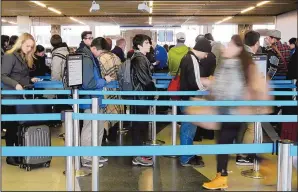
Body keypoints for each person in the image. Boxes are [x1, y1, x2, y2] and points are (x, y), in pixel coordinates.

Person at [202, 35, 272, 190]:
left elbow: (231, 90)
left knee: (222, 146)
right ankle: (223, 175)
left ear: (238, 49)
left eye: (230, 45)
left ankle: (223, 177)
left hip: (230, 112)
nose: (226, 48)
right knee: (224, 145)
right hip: (233, 112)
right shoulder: (238, 63)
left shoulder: (232, 65)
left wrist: (211, 85)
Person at [1, 33, 39, 166]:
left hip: (20, 96)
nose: (29, 49)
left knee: (18, 126)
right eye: (27, 45)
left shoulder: (23, 56)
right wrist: (15, 84)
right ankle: (11, 156)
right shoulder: (9, 56)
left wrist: (29, 80)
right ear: (20, 43)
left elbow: (19, 75)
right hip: (10, 96)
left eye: (31, 47)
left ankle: (17, 153)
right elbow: (3, 75)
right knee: (11, 128)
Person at [179, 37, 216, 167]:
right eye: (206, 53)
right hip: (190, 98)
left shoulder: (187, 57)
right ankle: (185, 158)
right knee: (188, 129)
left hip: (186, 97)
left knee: (189, 128)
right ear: (202, 50)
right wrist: (207, 85)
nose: (206, 57)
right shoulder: (192, 59)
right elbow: (195, 82)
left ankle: (188, 154)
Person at [77, 36, 113, 168]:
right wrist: (104, 80)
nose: (100, 55)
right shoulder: (86, 59)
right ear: (93, 48)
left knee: (97, 128)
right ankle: (87, 158)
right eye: (100, 52)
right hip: (90, 99)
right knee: (89, 129)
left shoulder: (91, 58)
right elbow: (88, 83)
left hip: (96, 99)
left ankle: (95, 154)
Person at [130, 34, 156, 166]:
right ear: (139, 45)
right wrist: (154, 92)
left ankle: (140, 152)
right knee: (139, 126)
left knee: (141, 126)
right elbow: (145, 79)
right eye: (146, 43)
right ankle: (137, 156)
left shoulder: (140, 57)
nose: (149, 45)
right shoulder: (139, 59)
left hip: (140, 96)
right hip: (140, 97)